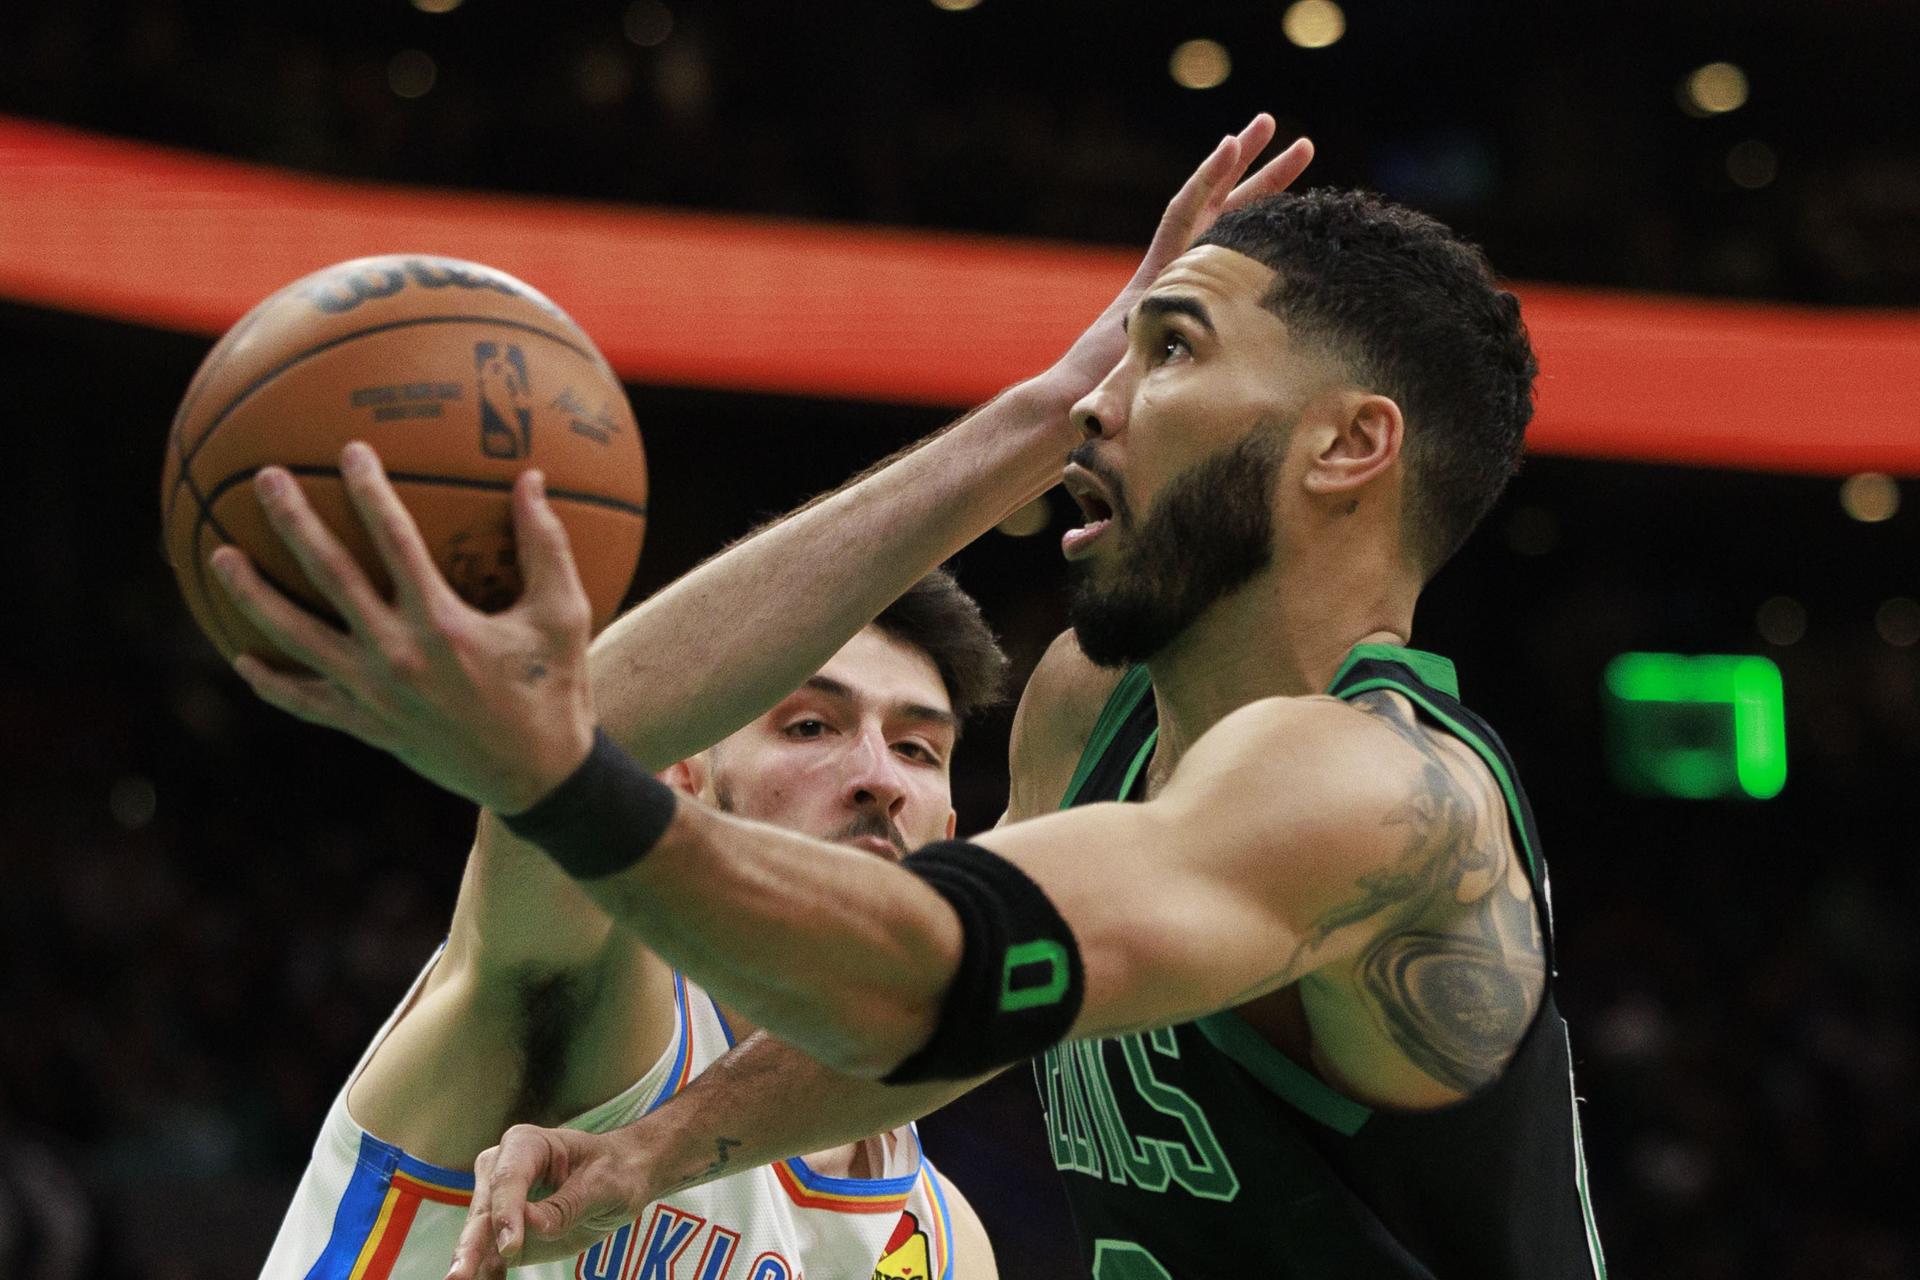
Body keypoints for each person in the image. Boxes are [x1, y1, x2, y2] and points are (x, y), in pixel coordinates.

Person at [213, 117, 1611, 1277]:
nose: (1099, 406)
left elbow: (930, 978)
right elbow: (946, 1031)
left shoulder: (1382, 796)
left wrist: (569, 784)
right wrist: (655, 1148)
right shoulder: (1087, 704)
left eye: (1170, 350)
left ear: (1349, 446)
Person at [252, 571, 1008, 1280]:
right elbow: (578, 750)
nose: (880, 776)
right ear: (683, 779)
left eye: (917, 748)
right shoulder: (593, 983)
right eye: (811, 726)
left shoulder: (942, 1244)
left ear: (947, 825)